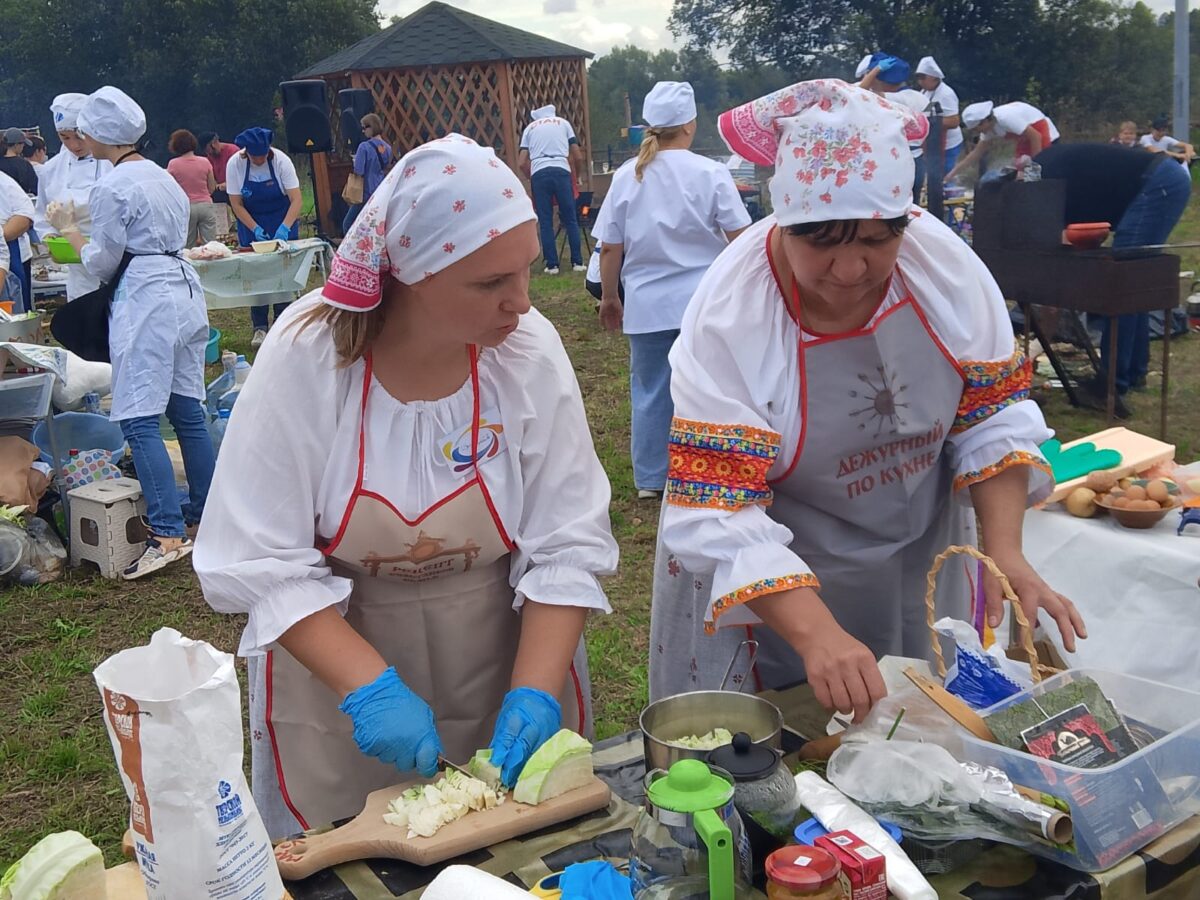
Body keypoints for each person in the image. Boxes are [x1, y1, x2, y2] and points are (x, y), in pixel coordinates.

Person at [193, 134, 618, 838]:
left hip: (501, 647)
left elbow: (566, 536)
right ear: (410, 275)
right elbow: (258, 558)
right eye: (490, 284)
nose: (522, 303)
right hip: (340, 664)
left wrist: (536, 692)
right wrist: (368, 690)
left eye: (528, 272)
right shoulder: (308, 357)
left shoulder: (525, 350)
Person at [648, 80, 1084, 721]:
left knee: (925, 717)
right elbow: (721, 507)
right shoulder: (731, 314)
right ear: (783, 221)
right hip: (775, 563)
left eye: (877, 240)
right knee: (786, 735)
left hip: (915, 542)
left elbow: (990, 416)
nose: (850, 270)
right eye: (821, 241)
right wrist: (813, 632)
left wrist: (1006, 552)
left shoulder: (946, 272)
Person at [48, 86, 215, 579]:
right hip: (183, 288)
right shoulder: (163, 176)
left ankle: (165, 532)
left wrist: (73, 236)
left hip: (146, 296)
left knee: (139, 417)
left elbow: (103, 262)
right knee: (187, 409)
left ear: (96, 135)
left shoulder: (112, 185)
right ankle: (205, 511)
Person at [596, 82, 750, 501]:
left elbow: (611, 247)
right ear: (690, 125)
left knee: (649, 392)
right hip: (704, 304)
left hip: (646, 306)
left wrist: (610, 297)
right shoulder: (710, 172)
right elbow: (743, 239)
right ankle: (709, 468)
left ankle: (652, 480)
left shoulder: (628, 175)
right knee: (709, 388)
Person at [1033, 142, 1192, 416]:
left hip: (1157, 185)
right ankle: (1133, 373)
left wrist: (1055, 292)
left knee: (1123, 283)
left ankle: (1109, 384)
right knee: (1135, 282)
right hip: (1161, 181)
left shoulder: (1048, 181)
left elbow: (1064, 246)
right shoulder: (1050, 173)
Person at [226, 126, 303, 347]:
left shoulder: (281, 161)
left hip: (282, 219)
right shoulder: (235, 164)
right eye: (254, 156)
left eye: (262, 155)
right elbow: (236, 203)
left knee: (283, 274)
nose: (259, 160)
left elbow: (296, 199)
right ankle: (259, 327)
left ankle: (283, 322)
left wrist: (285, 228)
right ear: (246, 152)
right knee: (256, 275)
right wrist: (255, 228)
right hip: (251, 223)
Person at [33, 93, 114, 301]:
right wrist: (50, 237)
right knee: (85, 321)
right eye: (65, 138)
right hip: (75, 264)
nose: (74, 145)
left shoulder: (112, 163)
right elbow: (42, 214)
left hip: (113, 258)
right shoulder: (51, 170)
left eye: (79, 136)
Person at [519, 105, 585, 274]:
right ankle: (577, 262)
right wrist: (577, 175)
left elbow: (521, 162)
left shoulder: (529, 129)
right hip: (561, 170)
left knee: (545, 221)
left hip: (539, 172)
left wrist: (531, 176)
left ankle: (552, 265)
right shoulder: (563, 123)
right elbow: (577, 155)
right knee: (570, 219)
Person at [858, 55, 929, 203]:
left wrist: (876, 71)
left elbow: (856, 95)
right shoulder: (919, 97)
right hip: (916, 161)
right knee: (911, 210)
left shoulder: (895, 98)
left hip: (894, 163)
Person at [948, 101, 1060, 181]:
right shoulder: (989, 129)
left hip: (1041, 132)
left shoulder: (1006, 118)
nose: (976, 133)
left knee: (1038, 176)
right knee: (1020, 173)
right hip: (1024, 139)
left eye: (976, 129)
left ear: (985, 121)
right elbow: (975, 154)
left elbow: (1035, 136)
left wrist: (1035, 168)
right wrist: (951, 175)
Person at [166, 129, 219, 248]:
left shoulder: (173, 164)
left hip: (186, 207)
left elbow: (170, 189)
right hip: (205, 205)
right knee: (211, 245)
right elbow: (212, 187)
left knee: (188, 246)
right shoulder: (205, 161)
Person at [342, 113, 393, 234]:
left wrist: (355, 160)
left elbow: (359, 171)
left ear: (371, 127)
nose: (363, 131)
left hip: (366, 191)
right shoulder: (387, 148)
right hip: (380, 189)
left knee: (348, 224)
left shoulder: (364, 147)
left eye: (364, 127)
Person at [915, 57, 964, 179]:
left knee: (949, 178)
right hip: (933, 144)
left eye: (922, 77)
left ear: (933, 77)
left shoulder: (946, 94)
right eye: (918, 77)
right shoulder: (924, 92)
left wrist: (928, 123)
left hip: (949, 146)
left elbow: (954, 121)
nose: (920, 81)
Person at [0, 170, 35, 313]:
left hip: (11, 254)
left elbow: (25, 216)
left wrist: (2, 236)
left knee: (15, 313)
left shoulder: (4, 182)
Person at [198, 131, 240, 231]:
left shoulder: (233, 151)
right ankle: (223, 229)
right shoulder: (210, 157)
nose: (209, 154)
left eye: (209, 151)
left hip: (236, 188)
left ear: (213, 143)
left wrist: (228, 184)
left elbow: (240, 173)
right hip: (221, 189)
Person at [0, 128, 39, 195]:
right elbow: (35, 189)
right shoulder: (24, 165)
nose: (23, 146)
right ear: (16, 145)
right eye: (23, 143)